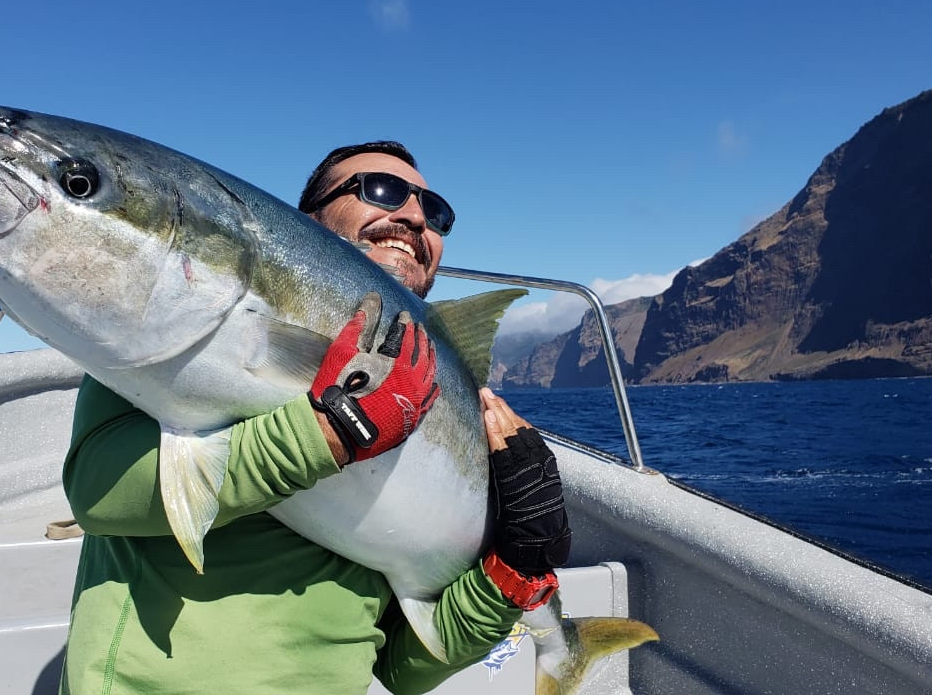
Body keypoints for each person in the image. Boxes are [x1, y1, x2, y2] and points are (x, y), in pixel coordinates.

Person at [60, 142, 571, 694]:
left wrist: (513, 572)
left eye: (436, 210)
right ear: (308, 220)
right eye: (382, 190)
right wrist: (327, 434)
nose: (415, 216)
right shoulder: (159, 337)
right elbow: (97, 494)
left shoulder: (442, 391)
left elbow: (404, 672)